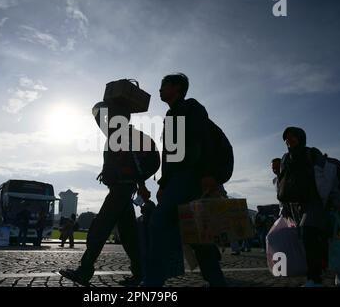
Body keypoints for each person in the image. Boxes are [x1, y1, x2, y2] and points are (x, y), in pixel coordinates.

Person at [142, 73, 230, 287]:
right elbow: (169, 155)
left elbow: (205, 141)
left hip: (191, 175)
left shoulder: (192, 107)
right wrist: (163, 184)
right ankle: (217, 281)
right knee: (196, 232)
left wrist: (209, 174)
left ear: (176, 87)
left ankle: (153, 282)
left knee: (160, 221)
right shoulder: (170, 115)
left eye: (163, 85)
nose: (160, 90)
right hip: (179, 178)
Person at [59, 101, 155, 287]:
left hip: (120, 190)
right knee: (129, 236)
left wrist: (105, 102)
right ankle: (139, 273)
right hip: (124, 190)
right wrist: (140, 182)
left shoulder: (119, 133)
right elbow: (139, 163)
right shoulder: (127, 134)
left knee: (99, 228)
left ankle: (84, 271)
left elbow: (96, 113)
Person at [277, 126, 340, 287]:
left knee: (309, 234)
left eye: (293, 136)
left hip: (315, 201)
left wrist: (336, 199)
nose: (289, 140)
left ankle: (314, 279)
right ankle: (326, 270)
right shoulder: (286, 158)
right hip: (296, 205)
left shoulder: (312, 153)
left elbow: (329, 176)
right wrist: (284, 205)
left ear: (301, 137)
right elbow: (283, 183)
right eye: (287, 138)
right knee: (312, 239)